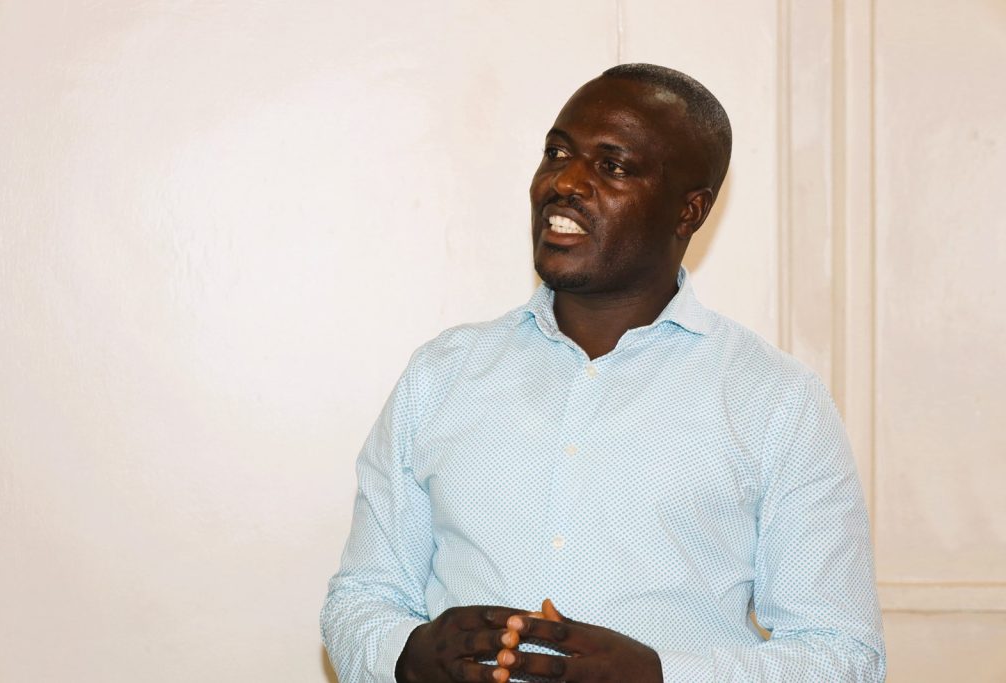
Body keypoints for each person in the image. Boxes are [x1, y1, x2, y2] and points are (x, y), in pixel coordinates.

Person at [321, 63, 885, 682]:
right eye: (557, 152)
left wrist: (662, 677)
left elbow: (842, 656)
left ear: (688, 213)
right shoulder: (442, 375)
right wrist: (406, 656)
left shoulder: (776, 402)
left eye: (611, 166)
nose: (564, 182)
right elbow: (360, 599)